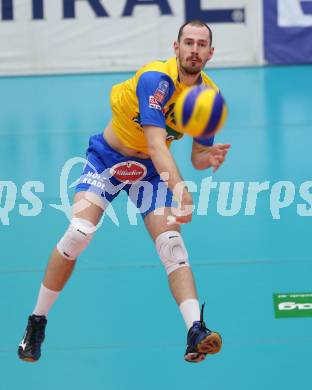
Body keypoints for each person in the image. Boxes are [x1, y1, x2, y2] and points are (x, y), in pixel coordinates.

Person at [18, 19, 230, 364]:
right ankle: (37, 322)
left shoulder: (208, 97)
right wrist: (182, 191)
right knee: (78, 234)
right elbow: (157, 144)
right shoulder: (156, 80)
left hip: (148, 172)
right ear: (175, 48)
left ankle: (195, 331)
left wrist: (209, 156)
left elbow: (196, 156)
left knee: (173, 246)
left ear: (211, 52)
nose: (194, 49)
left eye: (201, 44)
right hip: (108, 160)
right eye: (188, 42)